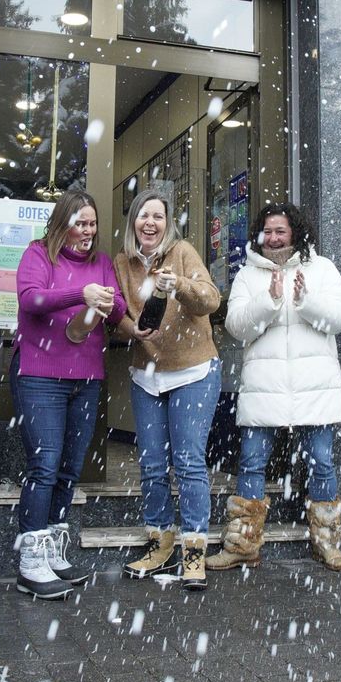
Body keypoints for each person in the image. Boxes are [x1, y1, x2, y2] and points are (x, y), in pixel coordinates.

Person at [211, 203, 341, 574]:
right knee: (252, 463)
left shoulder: (322, 269)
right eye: (268, 232)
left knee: (321, 463)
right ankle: (243, 545)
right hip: (264, 388)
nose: (273, 239)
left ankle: (327, 543)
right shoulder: (248, 275)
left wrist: (306, 301)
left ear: (295, 233)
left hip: (314, 387)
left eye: (281, 231)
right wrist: (270, 301)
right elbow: (236, 326)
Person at [9, 190, 126, 600]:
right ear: (62, 223)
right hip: (40, 374)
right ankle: (30, 562)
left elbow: (118, 309)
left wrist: (110, 302)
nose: (87, 231)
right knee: (43, 465)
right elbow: (30, 300)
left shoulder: (102, 263)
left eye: (92, 224)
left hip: (86, 378)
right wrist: (82, 294)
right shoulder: (38, 255)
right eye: (80, 222)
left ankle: (53, 553)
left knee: (68, 469)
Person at [114, 189, 222, 591]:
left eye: (158, 217)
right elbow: (118, 314)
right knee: (152, 465)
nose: (150, 223)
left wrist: (179, 285)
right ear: (134, 222)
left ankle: (194, 553)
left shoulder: (183, 253)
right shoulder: (122, 263)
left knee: (190, 462)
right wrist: (131, 329)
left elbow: (211, 299)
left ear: (167, 223)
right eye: (144, 216)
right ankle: (159, 544)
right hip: (147, 374)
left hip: (193, 370)